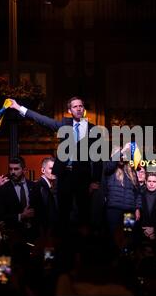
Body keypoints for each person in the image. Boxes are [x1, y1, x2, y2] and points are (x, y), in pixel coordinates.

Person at [9, 97, 102, 234]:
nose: (78, 108)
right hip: (65, 175)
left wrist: (95, 181)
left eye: (80, 106)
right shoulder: (64, 125)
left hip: (83, 176)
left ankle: (83, 248)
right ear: (69, 110)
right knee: (63, 213)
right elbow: (41, 119)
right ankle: (62, 246)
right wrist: (18, 108)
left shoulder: (93, 129)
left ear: (84, 109)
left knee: (84, 214)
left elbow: (98, 157)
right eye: (75, 106)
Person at [0, 156, 38, 241]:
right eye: (10, 169)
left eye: (16, 169)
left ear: (24, 170)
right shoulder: (2, 190)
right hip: (14, 236)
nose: (12, 172)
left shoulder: (33, 186)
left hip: (34, 234)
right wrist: (21, 216)